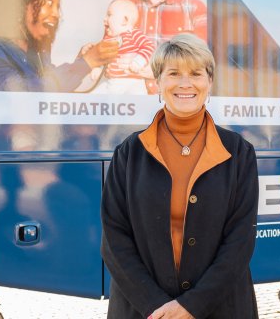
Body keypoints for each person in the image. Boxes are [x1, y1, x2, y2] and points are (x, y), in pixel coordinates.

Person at [101, 34, 259, 318]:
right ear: (158, 82)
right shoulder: (129, 153)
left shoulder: (238, 152)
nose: (185, 83)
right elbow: (114, 239)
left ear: (209, 83)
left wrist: (192, 305)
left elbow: (240, 240)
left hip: (220, 308)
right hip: (144, 311)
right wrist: (155, 306)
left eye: (196, 73)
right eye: (174, 73)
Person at [123, 0, 209, 93]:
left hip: (176, 110)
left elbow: (202, 66)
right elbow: (110, 63)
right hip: (129, 109)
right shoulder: (120, 7)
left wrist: (159, 70)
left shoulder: (195, 9)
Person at [77, 0, 155, 94]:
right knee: (94, 96)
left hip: (133, 83)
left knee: (138, 97)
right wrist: (97, 69)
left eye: (109, 15)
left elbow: (148, 46)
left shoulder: (133, 33)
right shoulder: (108, 39)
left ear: (124, 20)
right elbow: (101, 59)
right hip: (111, 82)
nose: (104, 18)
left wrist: (138, 61)